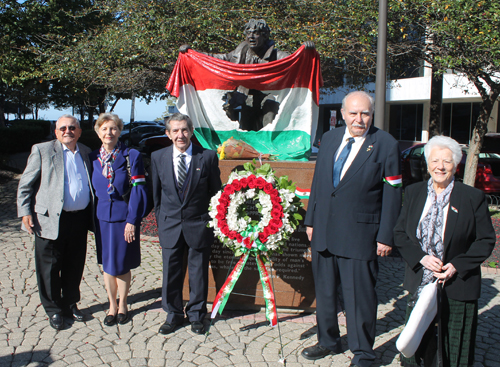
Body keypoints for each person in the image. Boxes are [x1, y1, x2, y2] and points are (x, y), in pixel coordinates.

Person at [302, 91, 402, 367]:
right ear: (343, 114)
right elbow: (319, 184)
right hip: (323, 230)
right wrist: (310, 221)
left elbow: (393, 193)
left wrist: (385, 235)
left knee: (359, 298)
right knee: (324, 293)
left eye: (365, 113)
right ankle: (328, 341)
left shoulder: (385, 144)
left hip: (360, 235)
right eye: (354, 113)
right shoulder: (330, 139)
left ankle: (363, 353)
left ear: (372, 114)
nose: (359, 119)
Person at [394, 135, 495, 367]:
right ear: (428, 163)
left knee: (453, 348)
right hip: (420, 281)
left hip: (457, 284)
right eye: (435, 160)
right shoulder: (413, 193)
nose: (440, 166)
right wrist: (421, 258)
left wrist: (457, 265)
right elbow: (400, 234)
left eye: (447, 161)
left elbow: (485, 240)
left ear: (456, 165)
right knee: (417, 344)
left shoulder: (472, 197)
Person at [17, 114, 93, 330]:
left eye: (72, 128)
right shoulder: (42, 150)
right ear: (55, 131)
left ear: (79, 131)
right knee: (49, 267)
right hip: (48, 220)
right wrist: (25, 212)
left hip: (78, 219)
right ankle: (53, 310)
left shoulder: (86, 152)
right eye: (63, 128)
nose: (67, 131)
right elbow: (25, 185)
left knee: (74, 264)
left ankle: (70, 304)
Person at [151, 113, 221, 335]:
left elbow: (216, 194)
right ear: (168, 134)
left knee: (198, 273)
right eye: (175, 131)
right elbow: (156, 196)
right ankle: (173, 314)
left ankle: (197, 315)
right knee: (171, 273)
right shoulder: (157, 157)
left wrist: (208, 221)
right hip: (170, 226)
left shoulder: (207, 157)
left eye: (184, 130)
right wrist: (162, 222)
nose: (180, 135)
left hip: (198, 226)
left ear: (191, 131)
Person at [180, 19, 315, 131]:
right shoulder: (238, 53)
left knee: (269, 116)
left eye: (256, 33)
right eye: (248, 33)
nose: (251, 36)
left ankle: (271, 148)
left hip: (267, 94)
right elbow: (215, 58)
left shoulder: (275, 54)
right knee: (245, 126)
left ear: (264, 36)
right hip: (245, 95)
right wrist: (193, 53)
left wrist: (305, 51)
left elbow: (293, 60)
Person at [89, 113, 148, 326]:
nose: (109, 133)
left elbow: (139, 191)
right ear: (98, 132)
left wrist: (133, 220)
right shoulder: (92, 158)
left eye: (113, 128)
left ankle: (123, 304)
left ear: (119, 131)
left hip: (125, 218)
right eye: (104, 129)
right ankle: (111, 305)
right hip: (102, 219)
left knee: (122, 264)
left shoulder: (131, 155)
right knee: (108, 264)